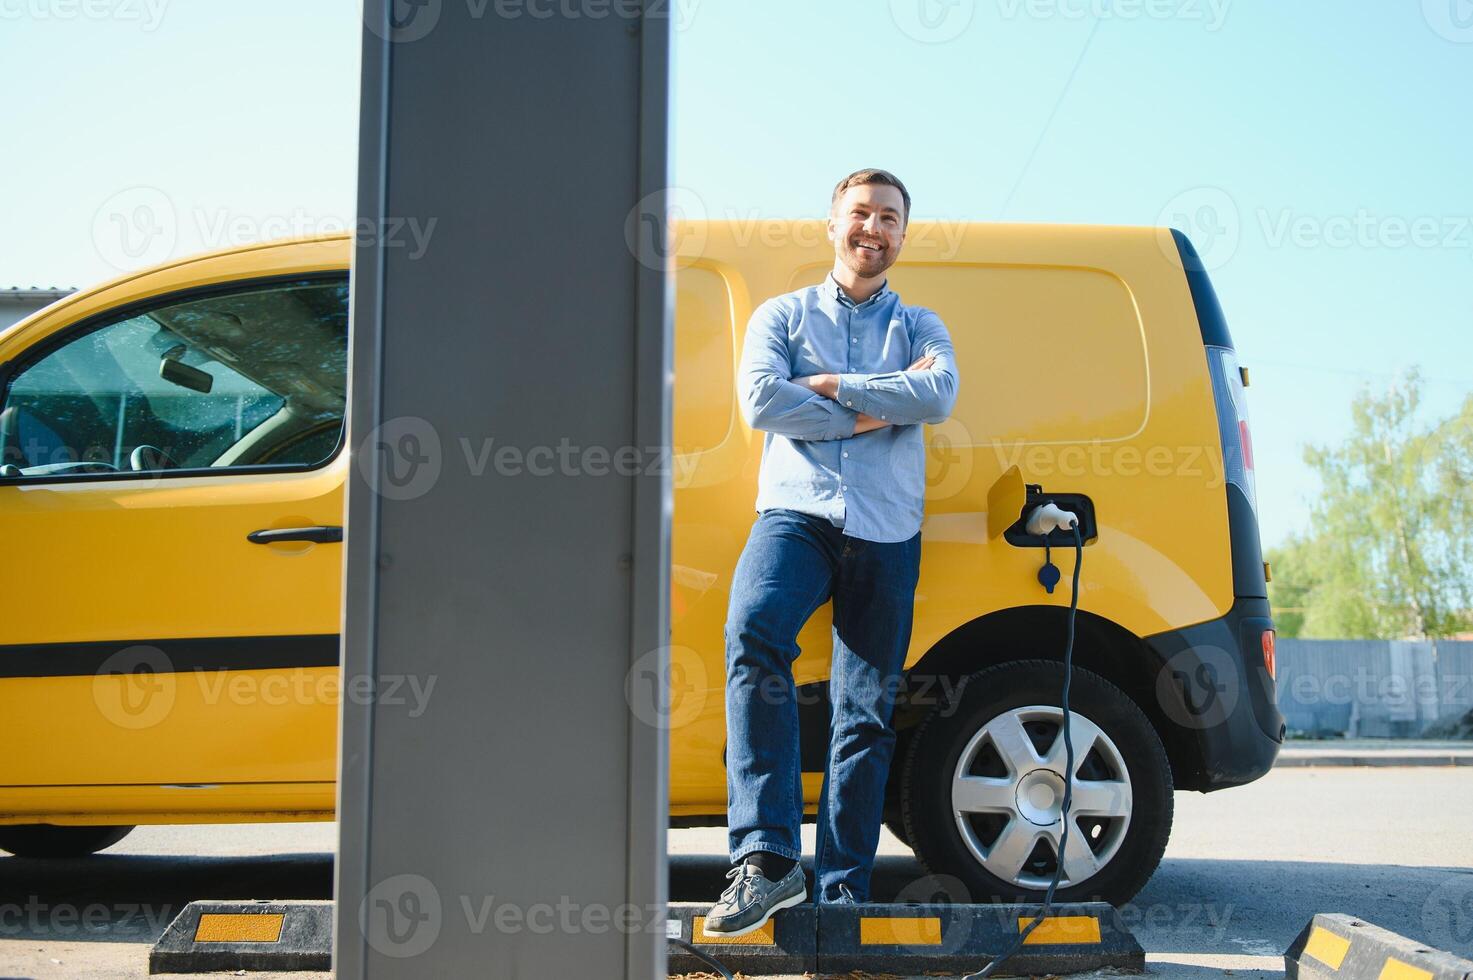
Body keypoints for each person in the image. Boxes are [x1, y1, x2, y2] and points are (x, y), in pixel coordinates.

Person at [705, 168, 960, 936]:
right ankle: (768, 862)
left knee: (864, 713)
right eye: (860, 214)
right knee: (752, 635)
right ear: (832, 224)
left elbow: (939, 394)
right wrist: (873, 410)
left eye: (888, 218)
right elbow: (760, 402)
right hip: (797, 514)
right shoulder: (779, 317)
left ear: (902, 236)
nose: (872, 229)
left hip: (887, 528)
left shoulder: (923, 328)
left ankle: (842, 886)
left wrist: (825, 387)